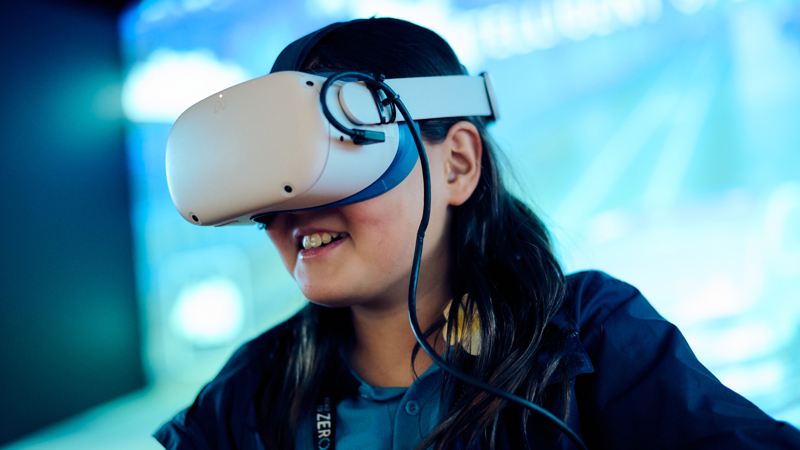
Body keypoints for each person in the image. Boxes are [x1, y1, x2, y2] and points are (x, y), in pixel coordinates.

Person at [154, 17, 800, 450]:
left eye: (338, 152)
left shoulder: (593, 336)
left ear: (457, 162)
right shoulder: (250, 394)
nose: (294, 211)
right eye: (279, 178)